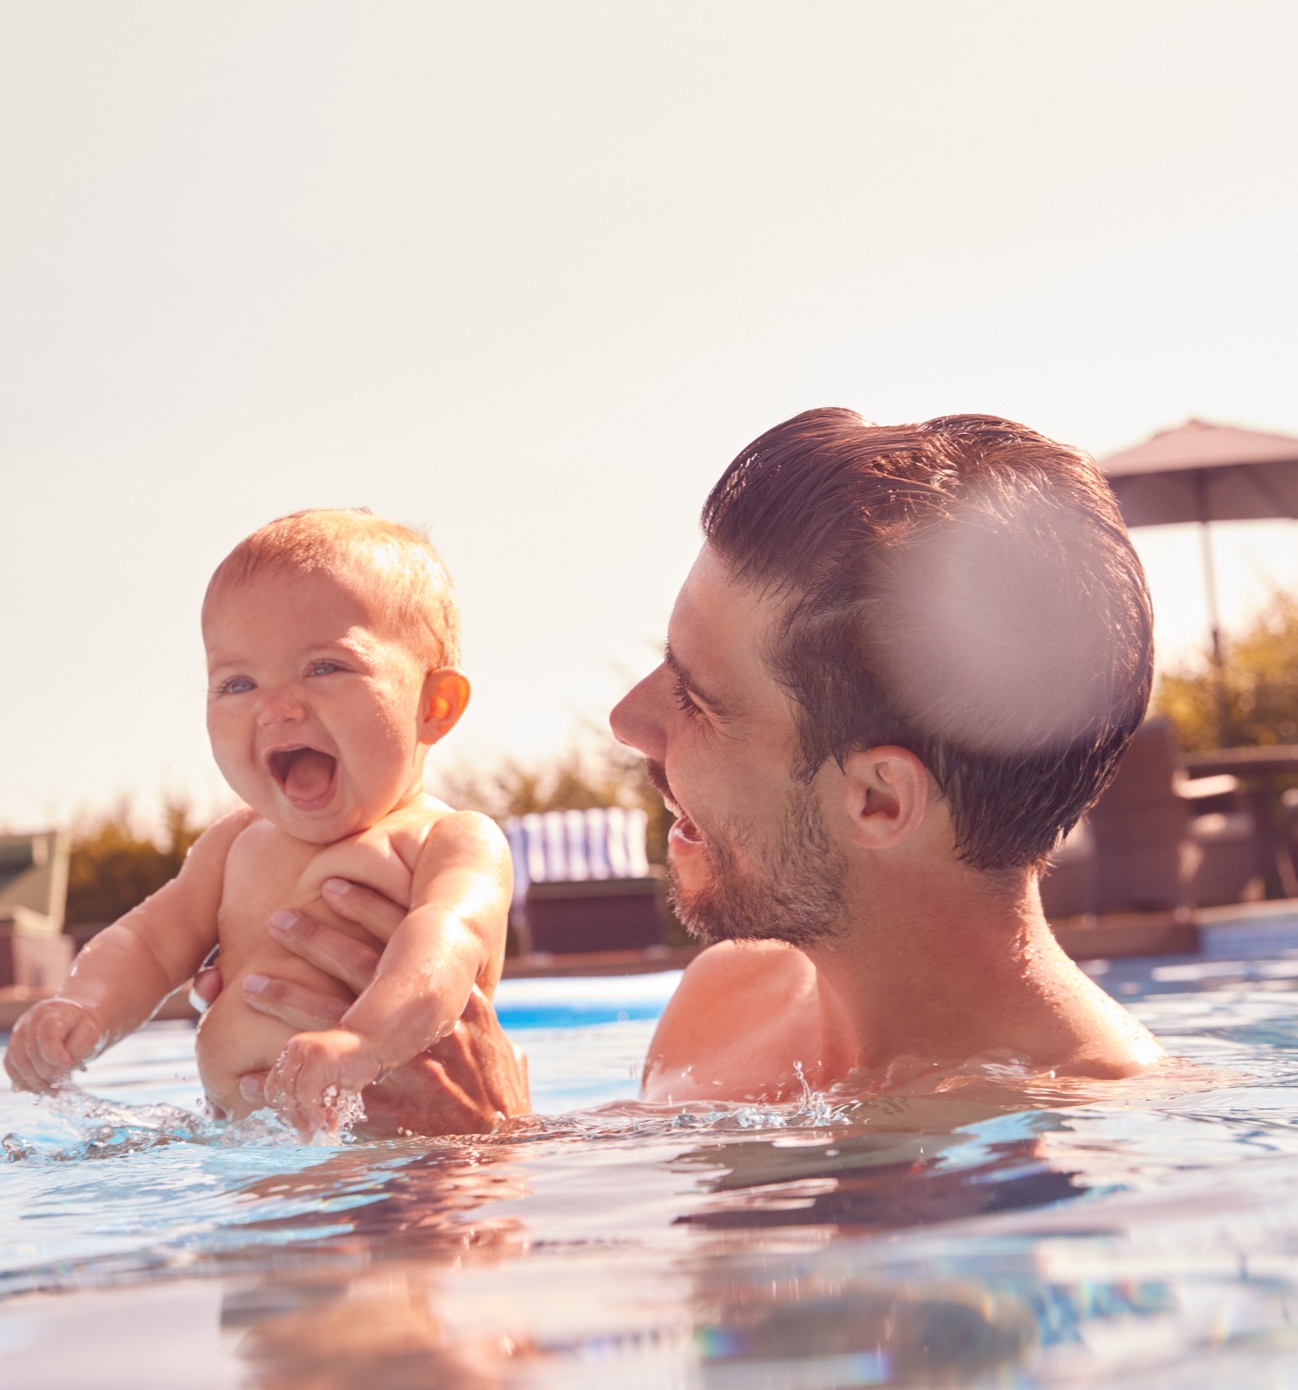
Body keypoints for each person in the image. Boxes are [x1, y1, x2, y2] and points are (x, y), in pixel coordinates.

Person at [215, 408, 1165, 1128]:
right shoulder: (724, 1003)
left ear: (878, 800)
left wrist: (487, 1157)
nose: (629, 723)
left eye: (697, 698)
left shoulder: (1062, 1126)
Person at [4, 508, 521, 1138]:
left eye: (325, 667)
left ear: (434, 704)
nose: (277, 708)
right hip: (242, 1148)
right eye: (238, 683)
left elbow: (447, 942)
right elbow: (147, 942)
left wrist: (364, 1043)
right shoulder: (233, 844)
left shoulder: (451, 842)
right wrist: (84, 1008)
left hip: (407, 1158)